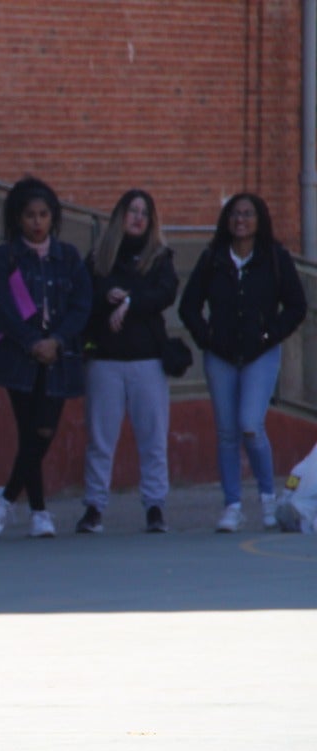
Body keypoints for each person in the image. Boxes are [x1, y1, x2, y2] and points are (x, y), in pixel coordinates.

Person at [179, 193, 309, 532]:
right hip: (220, 356)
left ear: (260, 220)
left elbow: (296, 306)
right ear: (226, 220)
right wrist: (207, 338)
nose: (241, 219)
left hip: (260, 355)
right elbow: (188, 307)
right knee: (226, 432)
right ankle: (232, 505)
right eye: (235, 213)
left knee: (250, 424)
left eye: (248, 214)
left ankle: (268, 498)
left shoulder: (275, 258)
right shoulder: (213, 259)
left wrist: (269, 336)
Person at [0, 176, 92, 539]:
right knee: (29, 430)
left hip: (59, 358)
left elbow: (81, 305)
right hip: (19, 357)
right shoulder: (5, 257)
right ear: (18, 218)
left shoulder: (69, 257)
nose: (37, 222)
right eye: (30, 215)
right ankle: (39, 512)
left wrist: (56, 340)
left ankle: (8, 497)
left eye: (44, 214)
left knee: (43, 431)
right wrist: (32, 341)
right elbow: (0, 306)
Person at [77, 190, 179, 535]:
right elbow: (81, 298)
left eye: (144, 213)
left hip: (147, 359)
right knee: (100, 438)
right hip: (105, 359)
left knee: (153, 438)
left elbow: (166, 293)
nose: (137, 217)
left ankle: (154, 507)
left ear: (151, 221)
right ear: (119, 215)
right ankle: (93, 507)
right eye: (131, 211)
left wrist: (131, 302)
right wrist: (107, 297)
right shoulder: (98, 257)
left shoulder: (160, 256)